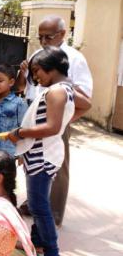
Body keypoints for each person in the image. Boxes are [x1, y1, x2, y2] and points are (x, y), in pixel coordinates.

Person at [8, 46, 91, 256]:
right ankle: (37, 242)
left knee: (39, 207)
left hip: (42, 156)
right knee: (37, 204)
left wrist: (21, 133)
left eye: (38, 72)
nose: (35, 78)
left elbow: (52, 127)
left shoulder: (56, 92)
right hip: (43, 153)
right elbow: (86, 105)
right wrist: (65, 120)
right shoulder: (65, 88)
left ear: (52, 69)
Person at [16, 15, 93, 226]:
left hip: (54, 121)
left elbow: (84, 97)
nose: (43, 42)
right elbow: (24, 87)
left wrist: (65, 120)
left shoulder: (74, 58)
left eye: (47, 37)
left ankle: (54, 212)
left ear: (62, 34)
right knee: (33, 164)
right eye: (40, 37)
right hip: (34, 116)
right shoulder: (38, 55)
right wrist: (24, 73)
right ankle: (35, 203)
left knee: (56, 166)